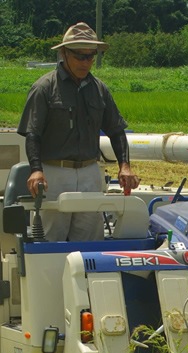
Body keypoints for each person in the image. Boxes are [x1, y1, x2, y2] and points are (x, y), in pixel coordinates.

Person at [17, 22, 140, 241]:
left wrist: (125, 166)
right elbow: (32, 132)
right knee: (51, 236)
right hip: (54, 173)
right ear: (64, 53)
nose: (86, 62)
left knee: (90, 238)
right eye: (80, 56)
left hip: (89, 173)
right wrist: (36, 170)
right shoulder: (45, 88)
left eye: (91, 56)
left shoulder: (99, 88)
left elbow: (116, 130)